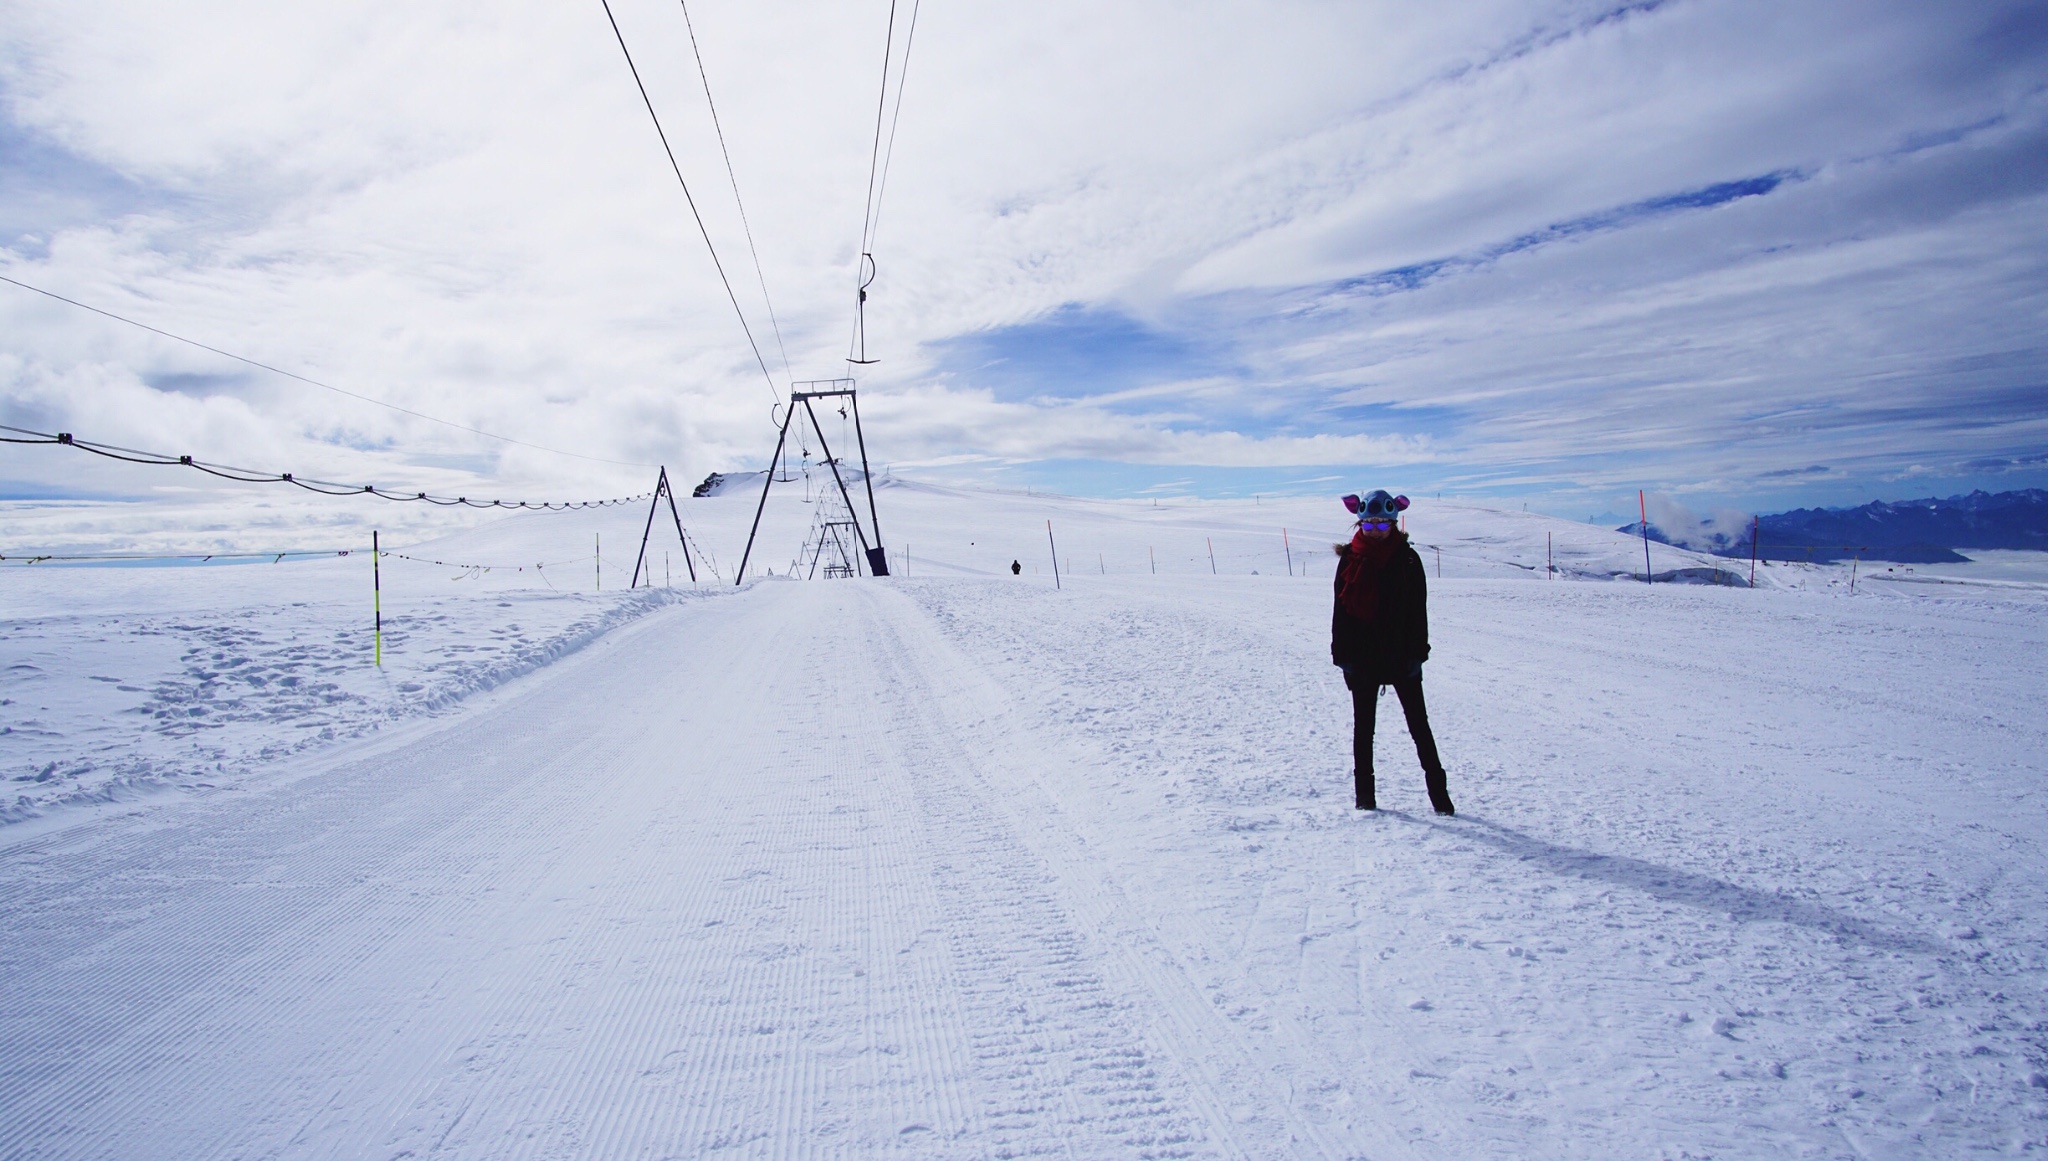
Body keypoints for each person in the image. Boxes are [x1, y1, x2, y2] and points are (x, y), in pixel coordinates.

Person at [1331, 490, 1454, 815]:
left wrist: (1418, 654)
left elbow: (1418, 612)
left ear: (1394, 524)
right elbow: (1340, 613)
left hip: (1403, 657)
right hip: (1363, 658)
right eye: (1369, 525)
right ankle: (1365, 800)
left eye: (1382, 526)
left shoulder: (1408, 560)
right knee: (1363, 730)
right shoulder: (1350, 559)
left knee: (1420, 728)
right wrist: (1343, 657)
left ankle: (1441, 801)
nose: (1375, 531)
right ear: (1359, 524)